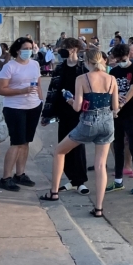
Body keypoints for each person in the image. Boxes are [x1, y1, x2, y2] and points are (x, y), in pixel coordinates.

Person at [39, 48, 118, 217]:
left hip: (88, 122)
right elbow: (115, 107)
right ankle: (98, 208)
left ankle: (54, 192)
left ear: (87, 61)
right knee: (100, 165)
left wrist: (69, 99)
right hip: (107, 123)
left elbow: (77, 107)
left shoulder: (82, 78)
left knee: (60, 151)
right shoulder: (111, 79)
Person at [0, 37, 43, 192]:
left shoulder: (35, 64)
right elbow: (0, 89)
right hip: (15, 108)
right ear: (17, 50)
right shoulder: (10, 67)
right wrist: (21, 91)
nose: (28, 51)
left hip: (33, 106)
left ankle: (20, 173)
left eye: (31, 48)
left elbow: (39, 83)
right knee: (16, 142)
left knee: (26, 142)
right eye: (25, 48)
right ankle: (5, 177)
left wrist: (40, 100)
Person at [42, 39, 89, 194]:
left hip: (79, 111)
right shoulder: (60, 68)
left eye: (67, 48)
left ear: (75, 49)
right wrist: (47, 114)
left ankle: (81, 180)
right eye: (63, 48)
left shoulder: (83, 67)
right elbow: (52, 90)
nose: (64, 50)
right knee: (63, 145)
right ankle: (72, 180)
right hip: (63, 111)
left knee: (78, 145)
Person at [109, 43, 133, 194]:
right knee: (118, 147)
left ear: (128, 55)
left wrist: (120, 105)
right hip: (117, 114)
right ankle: (118, 181)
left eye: (122, 58)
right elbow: (111, 91)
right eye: (117, 59)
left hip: (132, 112)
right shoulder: (114, 71)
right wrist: (114, 104)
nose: (119, 61)